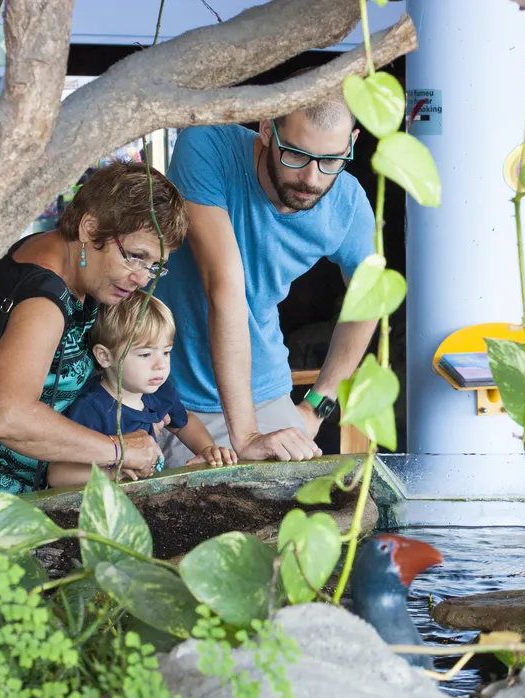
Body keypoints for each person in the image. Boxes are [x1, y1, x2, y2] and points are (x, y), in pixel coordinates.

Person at [154, 92, 379, 468]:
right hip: (163, 391)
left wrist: (319, 404)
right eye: (296, 154)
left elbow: (370, 296)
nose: (311, 178)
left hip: (265, 393)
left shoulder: (348, 203)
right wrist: (246, 437)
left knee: (301, 513)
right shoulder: (208, 144)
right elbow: (224, 287)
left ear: (351, 143)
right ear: (266, 130)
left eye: (330, 161)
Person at [0, 161, 188, 493]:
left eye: (154, 266)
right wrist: (117, 449)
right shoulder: (43, 302)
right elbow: (9, 415)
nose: (141, 278)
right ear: (89, 229)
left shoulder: (78, 263)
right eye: (135, 256)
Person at [47, 293, 237, 488]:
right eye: (145, 354)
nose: (161, 365)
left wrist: (206, 448)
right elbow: (57, 474)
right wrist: (112, 473)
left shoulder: (159, 392)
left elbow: (183, 422)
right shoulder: (91, 408)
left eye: (166, 352)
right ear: (104, 356)